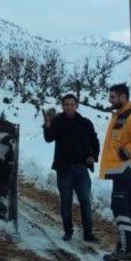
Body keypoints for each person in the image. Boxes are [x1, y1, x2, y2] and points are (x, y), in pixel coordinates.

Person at [99, 82, 131, 261]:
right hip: (123, 171)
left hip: (126, 171)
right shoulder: (120, 115)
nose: (110, 100)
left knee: (119, 208)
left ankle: (124, 248)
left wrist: (125, 152)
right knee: (130, 208)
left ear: (122, 96)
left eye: (113, 97)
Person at [42, 94, 100, 242]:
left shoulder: (85, 123)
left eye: (72, 104)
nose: (69, 107)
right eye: (66, 104)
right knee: (66, 201)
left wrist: (93, 156)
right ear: (62, 105)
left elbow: (95, 142)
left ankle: (88, 233)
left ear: (76, 105)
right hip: (64, 169)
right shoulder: (57, 122)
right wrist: (47, 125)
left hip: (81, 169)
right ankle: (68, 231)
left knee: (85, 202)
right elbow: (49, 138)